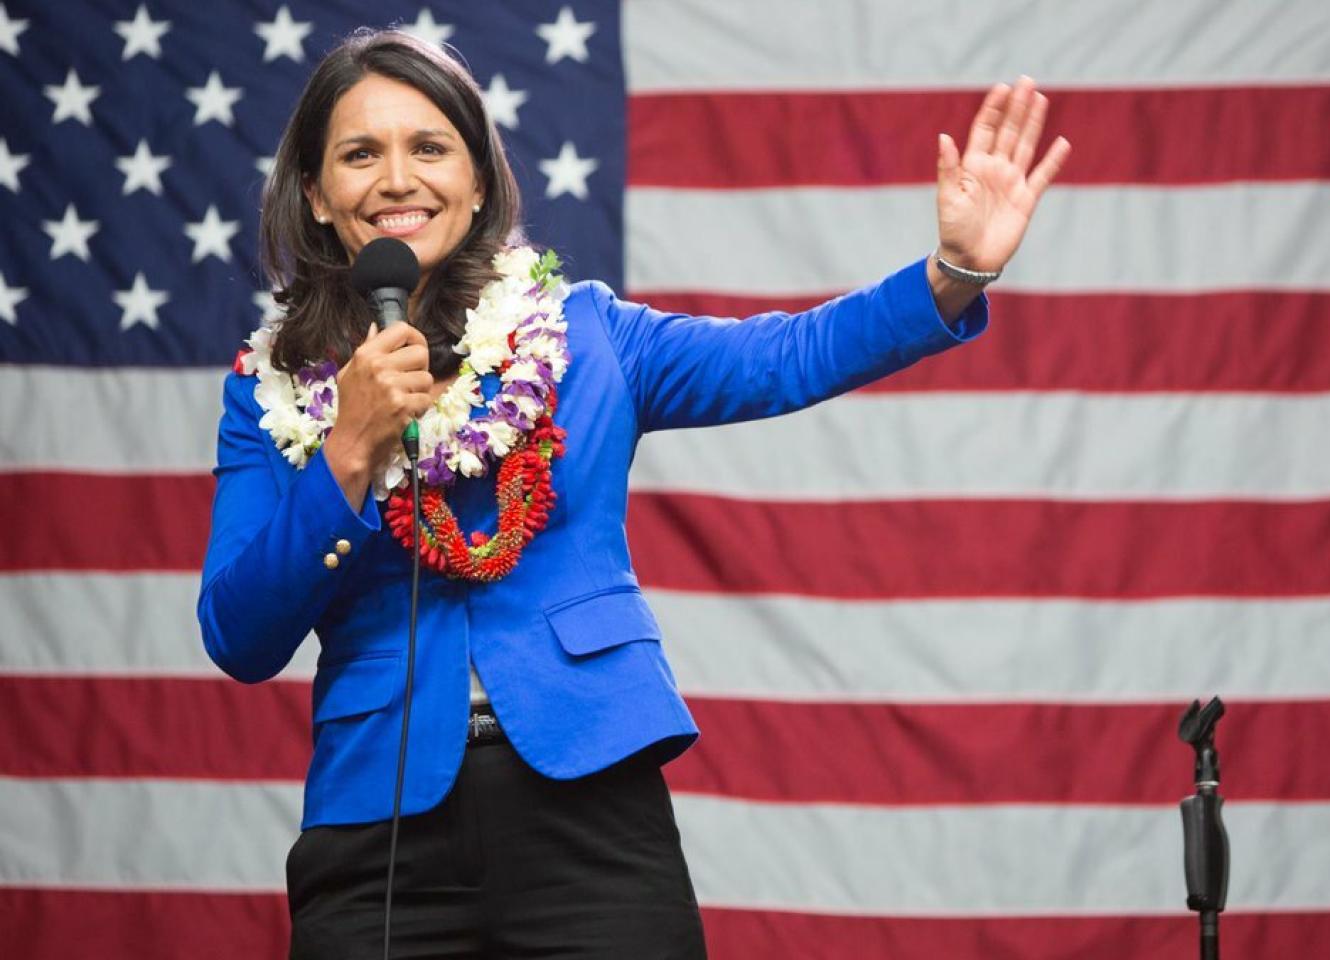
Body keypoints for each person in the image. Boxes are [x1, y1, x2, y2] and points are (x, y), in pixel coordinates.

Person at [198, 29, 1069, 959]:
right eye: (360, 155)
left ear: (480, 180)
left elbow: (783, 357)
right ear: (319, 196)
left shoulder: (586, 335)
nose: (397, 179)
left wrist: (955, 273)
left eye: (430, 147)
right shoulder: (270, 390)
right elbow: (241, 638)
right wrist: (347, 453)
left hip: (588, 810)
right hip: (379, 831)